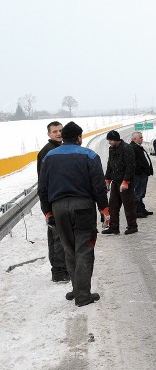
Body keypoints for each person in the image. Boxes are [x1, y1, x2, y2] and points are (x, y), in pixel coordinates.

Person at [38, 121, 109, 307]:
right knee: (84, 249)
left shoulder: (49, 157)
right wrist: (104, 208)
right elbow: (99, 185)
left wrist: (47, 211)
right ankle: (83, 295)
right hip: (83, 207)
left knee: (69, 250)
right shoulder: (89, 155)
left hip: (58, 208)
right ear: (78, 138)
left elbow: (43, 188)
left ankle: (76, 289)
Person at [36, 121, 69, 282]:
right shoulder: (46, 152)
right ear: (48, 134)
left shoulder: (61, 149)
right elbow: (43, 183)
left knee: (64, 237)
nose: (58, 133)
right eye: (54, 131)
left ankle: (65, 269)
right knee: (56, 238)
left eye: (61, 130)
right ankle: (58, 272)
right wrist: (47, 209)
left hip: (61, 200)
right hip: (52, 201)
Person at [102, 130, 138, 235]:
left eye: (110, 140)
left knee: (128, 205)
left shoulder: (127, 148)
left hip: (125, 182)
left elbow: (130, 166)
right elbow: (110, 164)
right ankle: (114, 227)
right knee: (113, 205)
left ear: (116, 139)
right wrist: (107, 178)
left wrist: (126, 181)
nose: (109, 142)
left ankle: (132, 226)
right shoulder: (112, 149)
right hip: (115, 181)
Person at [130, 131, 154, 218]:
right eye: (140, 137)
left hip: (143, 173)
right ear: (134, 139)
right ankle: (138, 211)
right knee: (138, 192)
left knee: (141, 192)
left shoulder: (138, 147)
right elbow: (134, 162)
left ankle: (141, 209)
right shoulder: (132, 147)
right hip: (139, 174)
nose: (142, 139)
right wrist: (141, 170)